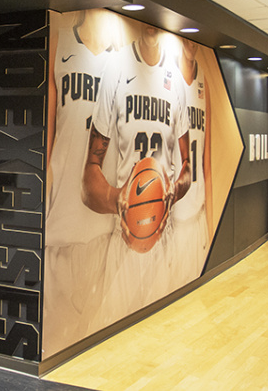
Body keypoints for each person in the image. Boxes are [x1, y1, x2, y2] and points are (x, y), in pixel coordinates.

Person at [82, 23, 191, 320]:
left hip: (165, 234)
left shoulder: (176, 81)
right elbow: (89, 173)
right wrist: (117, 198)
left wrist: (174, 190)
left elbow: (188, 168)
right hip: (125, 237)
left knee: (168, 331)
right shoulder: (116, 67)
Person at [42, 8, 122, 357]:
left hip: (105, 228)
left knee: (95, 345)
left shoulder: (121, 58)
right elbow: (46, 136)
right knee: (55, 340)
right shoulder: (60, 46)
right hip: (62, 223)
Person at [162, 36, 212, 289]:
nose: (191, 43)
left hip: (199, 211)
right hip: (175, 217)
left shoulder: (203, 84)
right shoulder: (166, 79)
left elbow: (207, 165)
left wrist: (212, 224)